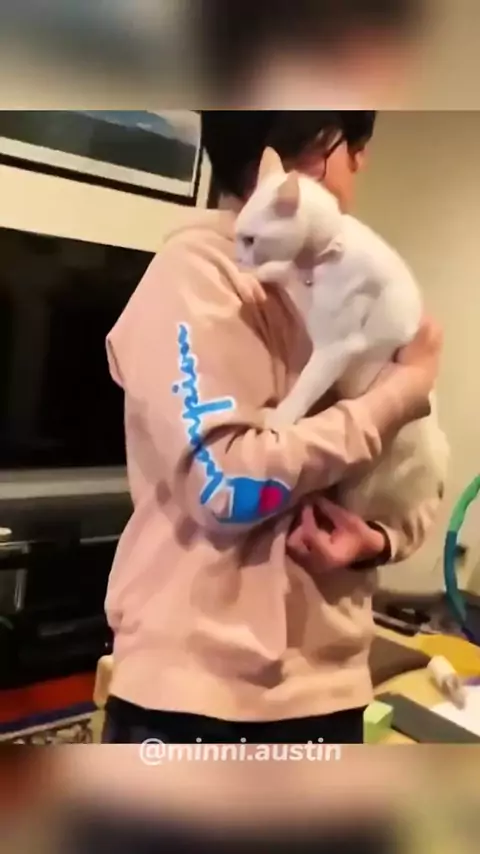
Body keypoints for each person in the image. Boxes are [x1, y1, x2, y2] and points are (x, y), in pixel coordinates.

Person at [102, 110, 443, 746]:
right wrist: (399, 393)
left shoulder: (354, 278)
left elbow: (417, 469)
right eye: (353, 145)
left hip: (332, 689)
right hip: (201, 698)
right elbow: (226, 488)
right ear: (314, 152)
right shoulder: (195, 273)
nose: (361, 164)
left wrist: (376, 540)